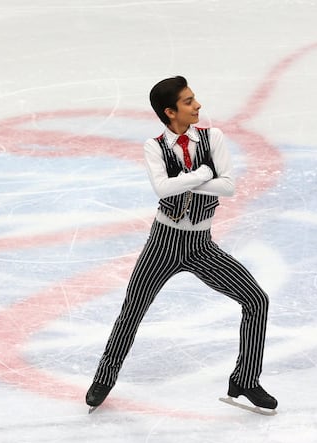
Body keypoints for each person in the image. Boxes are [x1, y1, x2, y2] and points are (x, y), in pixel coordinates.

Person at [85, 75, 277, 413]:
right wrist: (204, 176)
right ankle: (105, 376)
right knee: (132, 310)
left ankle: (245, 380)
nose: (198, 105)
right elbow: (162, 189)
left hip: (201, 245)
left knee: (256, 300)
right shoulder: (153, 146)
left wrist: (186, 182)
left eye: (194, 98)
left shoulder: (212, 137)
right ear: (170, 111)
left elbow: (229, 187)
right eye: (189, 102)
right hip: (163, 243)